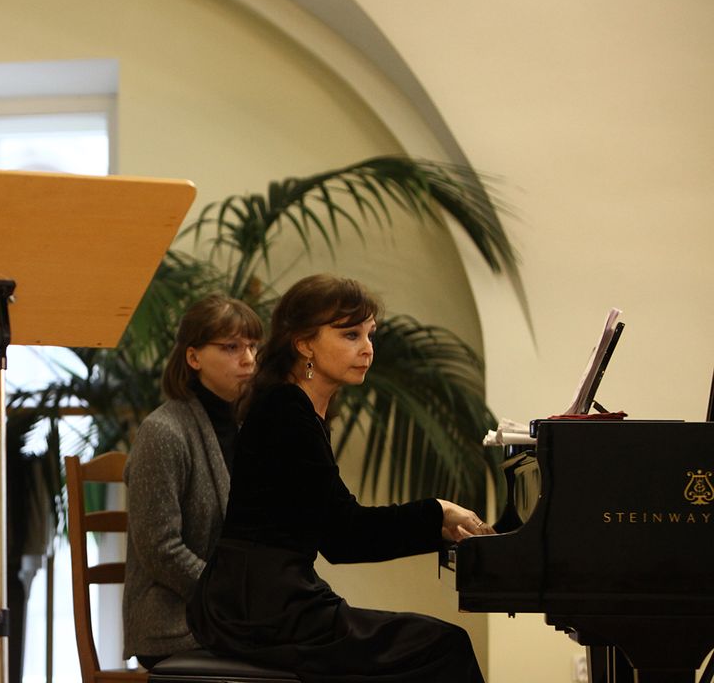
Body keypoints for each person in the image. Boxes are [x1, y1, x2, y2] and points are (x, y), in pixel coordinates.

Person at [187, 274, 491, 682]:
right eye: (350, 334)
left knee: (431, 645)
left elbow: (335, 534)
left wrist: (437, 525)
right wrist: (437, 512)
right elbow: (345, 535)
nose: (367, 348)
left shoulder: (295, 407)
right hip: (260, 607)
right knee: (444, 647)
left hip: (262, 599)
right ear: (304, 343)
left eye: (370, 334)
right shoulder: (286, 412)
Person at [123, 294, 264, 670]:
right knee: (310, 654)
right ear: (194, 357)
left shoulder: (249, 428)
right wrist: (233, 596)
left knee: (325, 641)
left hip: (233, 616)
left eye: (253, 346)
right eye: (231, 347)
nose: (248, 359)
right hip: (173, 621)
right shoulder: (163, 431)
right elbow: (161, 549)